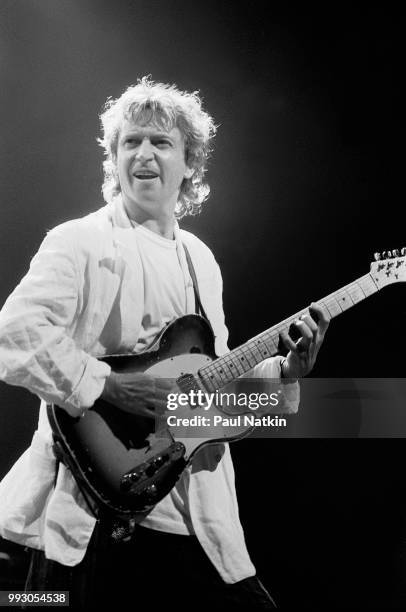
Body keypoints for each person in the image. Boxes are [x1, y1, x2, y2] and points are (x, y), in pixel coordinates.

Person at [0, 77, 329, 610]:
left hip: (195, 518)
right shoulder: (79, 240)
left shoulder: (201, 261)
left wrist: (285, 375)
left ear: (189, 164)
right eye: (130, 142)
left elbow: (210, 399)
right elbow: (13, 334)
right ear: (113, 158)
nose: (144, 154)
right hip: (95, 513)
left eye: (161, 142)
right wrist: (108, 386)